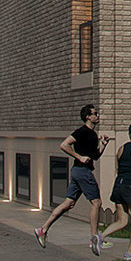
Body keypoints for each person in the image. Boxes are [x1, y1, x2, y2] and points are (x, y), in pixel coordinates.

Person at [34, 105, 111, 253]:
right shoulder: (82, 131)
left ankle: (43, 230)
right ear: (88, 117)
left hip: (78, 171)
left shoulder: (93, 135)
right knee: (96, 202)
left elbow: (94, 156)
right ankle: (95, 238)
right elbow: (64, 145)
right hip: (82, 172)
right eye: (95, 113)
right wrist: (79, 157)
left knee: (68, 203)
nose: (98, 116)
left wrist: (103, 145)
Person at [98, 119, 131, 260]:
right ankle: (129, 253)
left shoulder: (121, 148)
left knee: (122, 220)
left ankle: (100, 236)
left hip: (119, 186)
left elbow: (117, 169)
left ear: (130, 133)